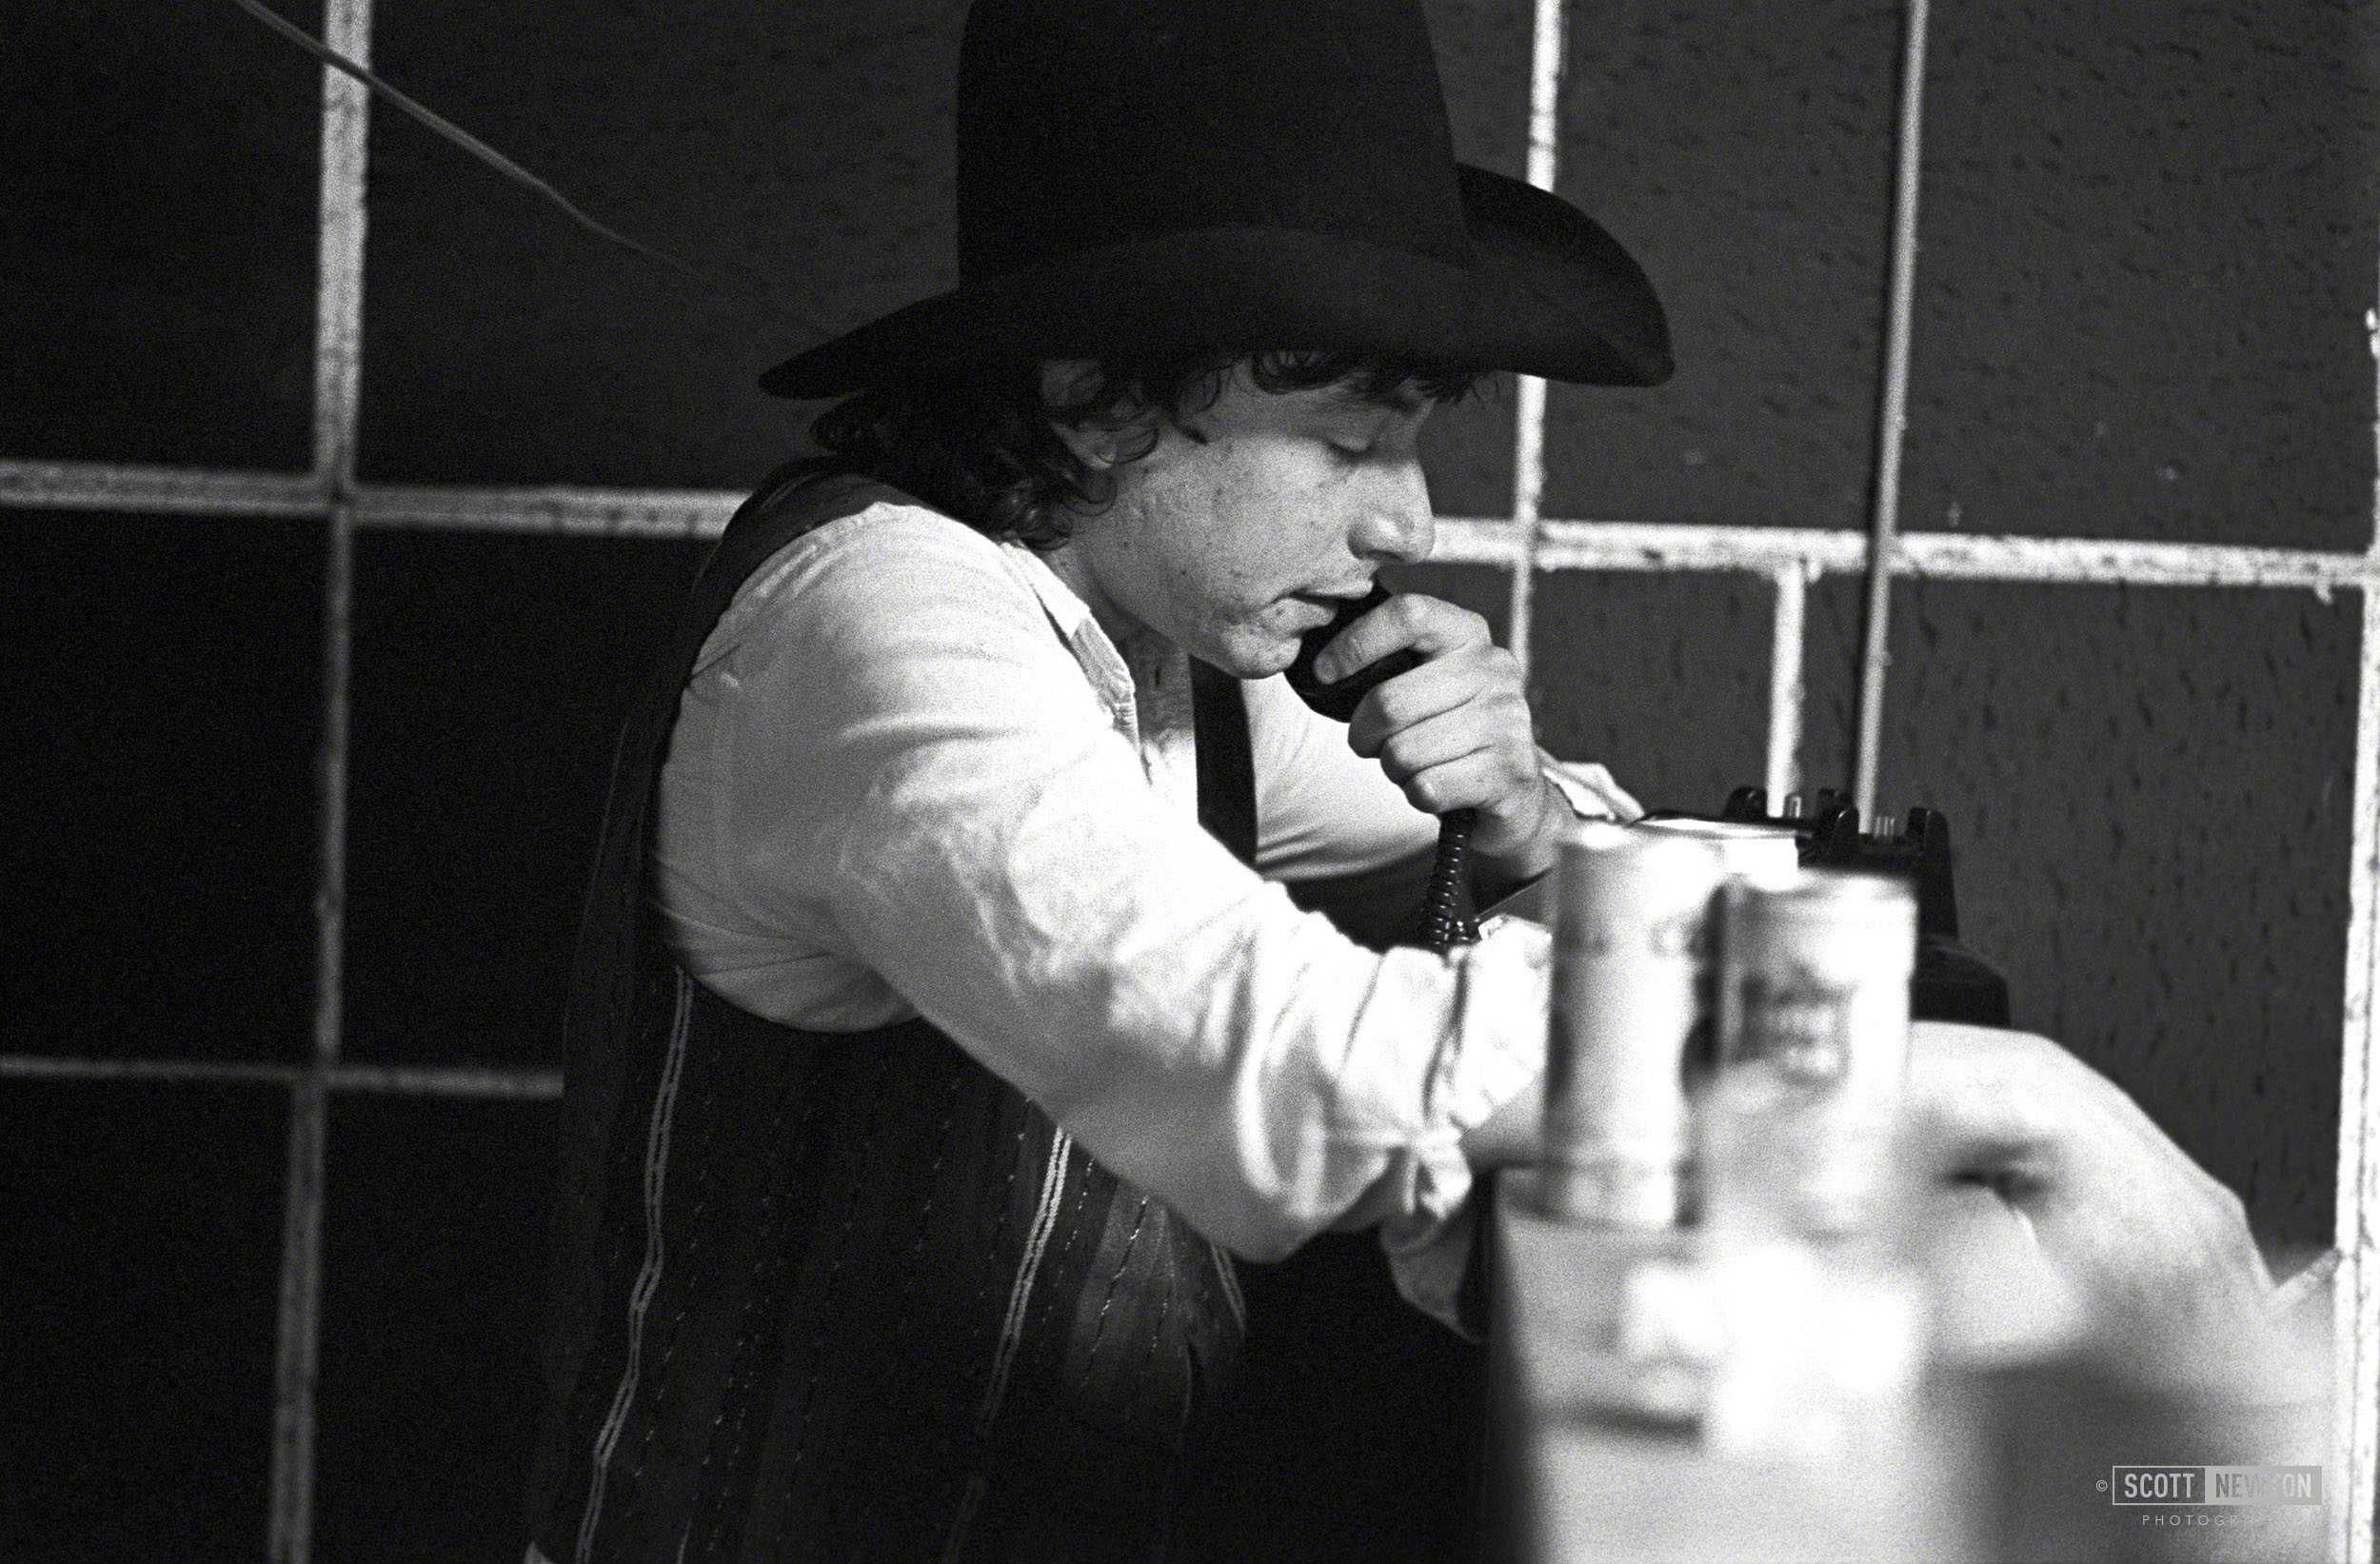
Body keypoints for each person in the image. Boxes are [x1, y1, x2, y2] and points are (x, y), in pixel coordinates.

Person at [524, 2, 2284, 1560]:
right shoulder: (881, 628)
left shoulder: (1150, 648)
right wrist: (2023, 1101)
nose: (1408, 522)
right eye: (1351, 441)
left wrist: (1519, 820)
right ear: (1090, 397)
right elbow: (1301, 1072)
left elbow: (1595, 903)